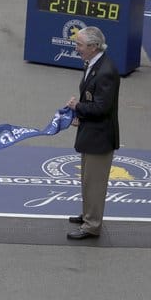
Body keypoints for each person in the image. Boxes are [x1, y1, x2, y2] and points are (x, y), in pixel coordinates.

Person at [65, 26, 119, 240]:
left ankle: (92, 225)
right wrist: (81, 115)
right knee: (87, 179)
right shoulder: (94, 63)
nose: (76, 48)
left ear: (94, 46)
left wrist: (77, 107)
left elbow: (101, 108)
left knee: (95, 183)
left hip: (100, 137)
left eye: (79, 45)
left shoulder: (106, 72)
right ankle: (89, 214)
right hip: (92, 132)